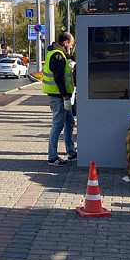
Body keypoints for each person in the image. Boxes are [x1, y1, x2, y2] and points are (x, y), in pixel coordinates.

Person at [43, 31, 77, 166]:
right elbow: (58, 79)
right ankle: (52, 157)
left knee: (69, 123)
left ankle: (71, 152)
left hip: (62, 97)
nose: (71, 46)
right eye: (71, 44)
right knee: (57, 126)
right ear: (65, 43)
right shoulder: (57, 56)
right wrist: (65, 98)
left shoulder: (58, 53)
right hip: (58, 97)